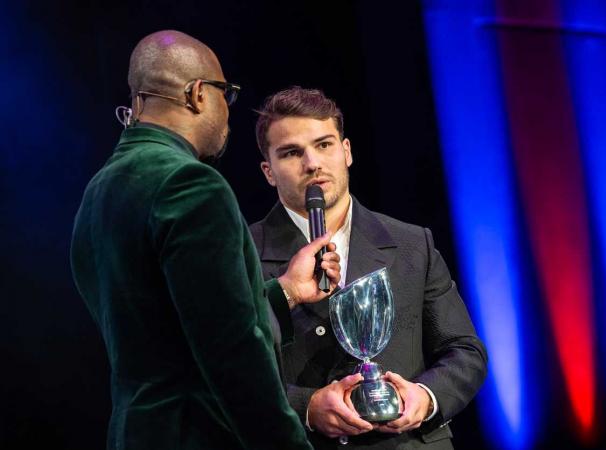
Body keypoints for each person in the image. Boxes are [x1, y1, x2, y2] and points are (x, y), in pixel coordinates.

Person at [70, 31, 341, 450]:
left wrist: (285, 291)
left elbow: (171, 326)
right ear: (198, 94)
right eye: (224, 95)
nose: (226, 112)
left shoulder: (99, 190)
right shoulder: (190, 183)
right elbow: (233, 354)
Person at [249, 86, 488, 449]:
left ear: (346, 152)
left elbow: (465, 350)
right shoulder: (241, 252)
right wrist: (306, 408)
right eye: (292, 153)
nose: (312, 163)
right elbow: (221, 371)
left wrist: (424, 397)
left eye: (324, 145)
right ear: (269, 171)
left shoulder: (411, 243)